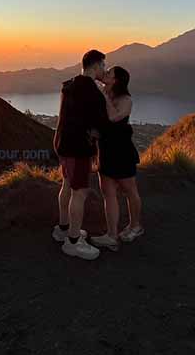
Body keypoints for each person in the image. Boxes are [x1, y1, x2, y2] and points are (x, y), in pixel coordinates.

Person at [52, 49, 108, 260]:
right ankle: (73, 242)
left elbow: (66, 117)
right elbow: (101, 125)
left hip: (63, 144)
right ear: (95, 66)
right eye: (104, 65)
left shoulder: (68, 85)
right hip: (79, 149)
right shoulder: (94, 93)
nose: (105, 69)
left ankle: (64, 228)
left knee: (66, 185)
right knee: (80, 192)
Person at [90, 66, 143, 251]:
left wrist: (103, 95)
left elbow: (113, 117)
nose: (105, 74)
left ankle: (135, 226)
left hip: (121, 151)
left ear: (116, 80)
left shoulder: (125, 100)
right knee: (108, 193)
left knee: (129, 190)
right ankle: (111, 234)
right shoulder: (105, 95)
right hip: (105, 150)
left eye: (109, 73)